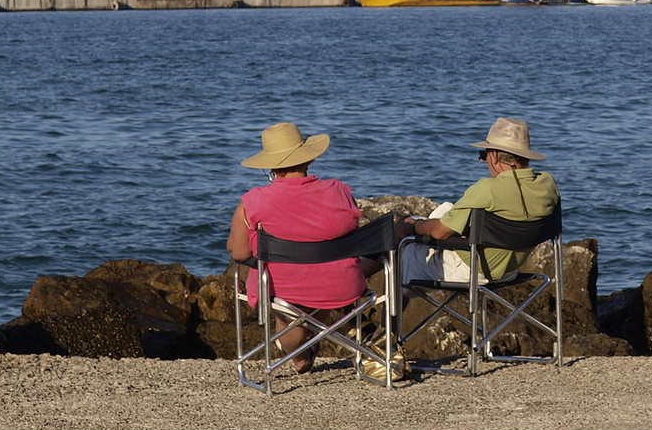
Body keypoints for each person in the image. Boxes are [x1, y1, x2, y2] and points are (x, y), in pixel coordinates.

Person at [226, 122, 365, 375]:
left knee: (286, 314)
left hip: (281, 291)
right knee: (321, 282)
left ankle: (300, 354)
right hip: (341, 286)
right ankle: (309, 341)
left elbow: (240, 253)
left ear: (270, 166)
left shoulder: (253, 202)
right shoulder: (340, 191)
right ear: (307, 160)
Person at [399, 116, 559, 283]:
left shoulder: (487, 189)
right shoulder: (548, 184)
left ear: (495, 156)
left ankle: (376, 298)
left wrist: (414, 226)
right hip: (510, 271)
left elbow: (440, 232)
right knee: (445, 210)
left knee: (399, 254)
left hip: (472, 270)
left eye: (484, 155)